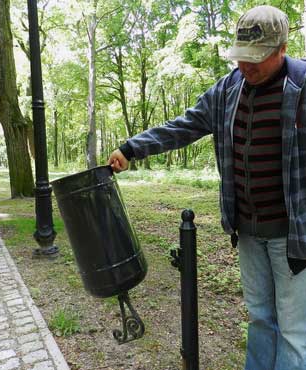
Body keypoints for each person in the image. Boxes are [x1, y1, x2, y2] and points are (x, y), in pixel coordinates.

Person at [108, 5, 306, 370]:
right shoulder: (229, 89)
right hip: (247, 229)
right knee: (261, 318)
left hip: (295, 235)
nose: (246, 66)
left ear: (282, 48)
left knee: (295, 332)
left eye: (257, 58)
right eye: (241, 57)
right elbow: (183, 126)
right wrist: (132, 148)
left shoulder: (302, 86)